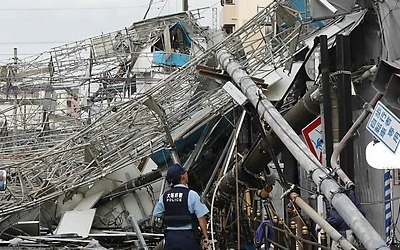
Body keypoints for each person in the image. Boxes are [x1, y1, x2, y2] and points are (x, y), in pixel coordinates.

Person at [153, 164, 210, 250]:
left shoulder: (164, 196)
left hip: (171, 238)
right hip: (188, 238)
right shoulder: (192, 195)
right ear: (182, 177)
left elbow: (156, 213)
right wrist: (206, 237)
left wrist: (171, 217)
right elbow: (201, 218)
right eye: (185, 173)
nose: (187, 174)